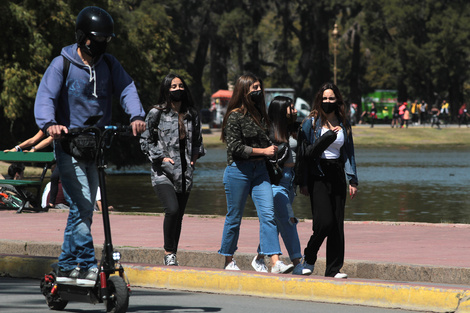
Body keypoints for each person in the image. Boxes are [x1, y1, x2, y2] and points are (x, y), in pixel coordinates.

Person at [34, 6, 146, 286]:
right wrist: (50, 124)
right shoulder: (63, 64)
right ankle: (85, 263)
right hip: (69, 144)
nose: (101, 44)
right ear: (83, 37)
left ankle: (67, 264)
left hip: (96, 146)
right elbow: (46, 95)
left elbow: (127, 88)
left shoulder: (109, 64)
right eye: (97, 39)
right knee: (84, 205)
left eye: (106, 39)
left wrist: (136, 116)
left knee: (81, 208)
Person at [218, 73, 294, 274]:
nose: (258, 92)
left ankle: (275, 261)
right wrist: (263, 151)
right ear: (244, 91)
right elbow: (235, 148)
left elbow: (272, 137)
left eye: (260, 87)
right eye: (254, 88)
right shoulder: (235, 116)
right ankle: (228, 259)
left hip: (260, 171)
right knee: (234, 217)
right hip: (239, 170)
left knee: (268, 215)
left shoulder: (262, 116)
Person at [296, 82, 358, 278]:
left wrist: (352, 179)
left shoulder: (344, 123)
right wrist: (303, 182)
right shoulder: (311, 123)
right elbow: (304, 155)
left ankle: (333, 269)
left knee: (337, 225)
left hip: (337, 174)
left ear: (337, 100)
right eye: (325, 99)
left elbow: (348, 153)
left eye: (332, 98)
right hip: (318, 175)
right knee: (324, 223)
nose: (328, 102)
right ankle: (309, 257)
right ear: (319, 100)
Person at [144, 73, 205, 266]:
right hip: (163, 172)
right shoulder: (157, 113)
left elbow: (197, 142)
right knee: (172, 209)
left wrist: (193, 160)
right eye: (173, 86)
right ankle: (168, 252)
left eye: (180, 86)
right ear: (166, 90)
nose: (178, 89)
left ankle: (173, 254)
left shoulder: (191, 114)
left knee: (178, 215)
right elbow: (145, 140)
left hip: (185, 173)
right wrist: (161, 157)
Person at [251, 96, 311, 275]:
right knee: (289, 220)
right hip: (276, 182)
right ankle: (297, 263)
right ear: (280, 110)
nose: (294, 110)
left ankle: (260, 257)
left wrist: (302, 182)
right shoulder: (269, 132)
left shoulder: (295, 128)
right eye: (290, 107)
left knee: (277, 223)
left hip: (290, 181)